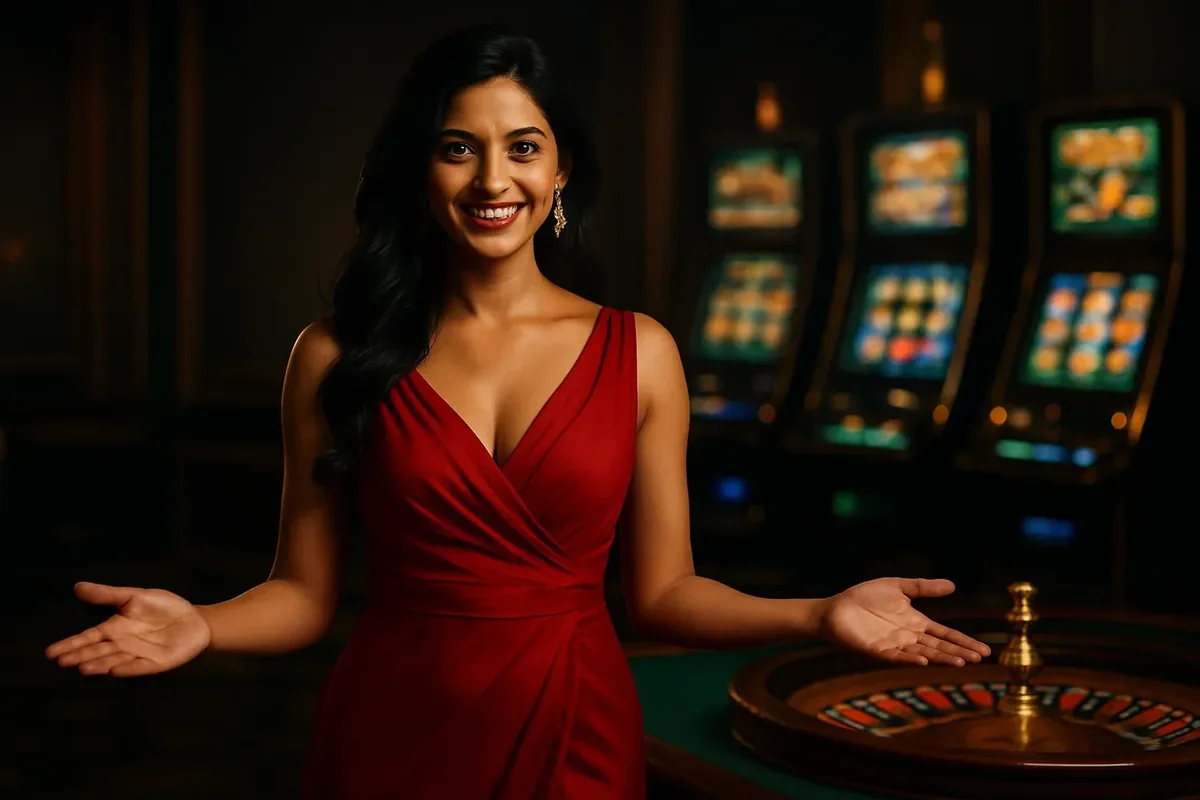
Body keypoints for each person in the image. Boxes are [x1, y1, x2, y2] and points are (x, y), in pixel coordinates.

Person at [46, 24, 990, 799]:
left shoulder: (642, 351)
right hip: (392, 733)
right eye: (459, 148)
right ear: (423, 170)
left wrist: (818, 612)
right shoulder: (333, 353)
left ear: (562, 170)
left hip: (576, 727)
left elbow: (663, 596)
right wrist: (205, 623)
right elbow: (302, 594)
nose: (493, 181)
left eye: (523, 148)